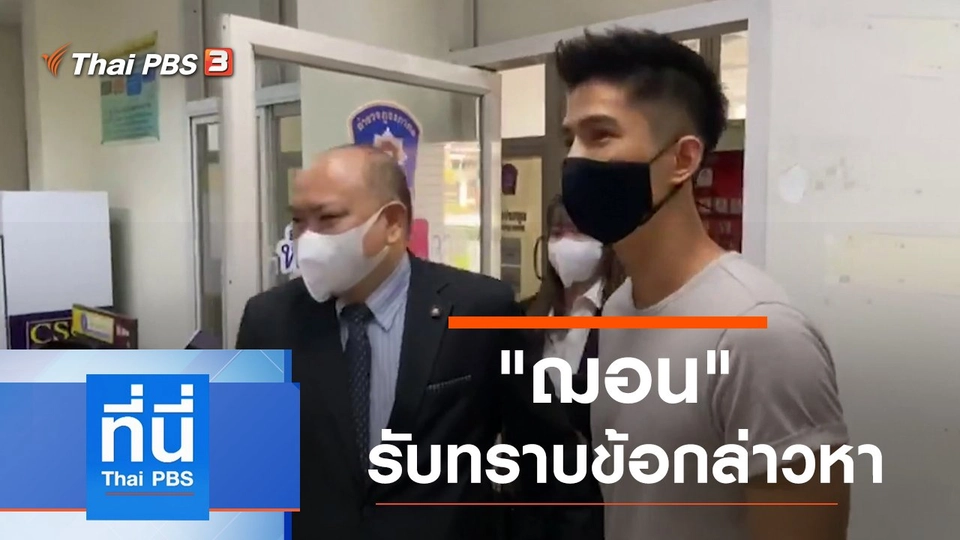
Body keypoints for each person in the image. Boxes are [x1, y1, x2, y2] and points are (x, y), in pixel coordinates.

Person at [554, 28, 850, 540]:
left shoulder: (759, 334)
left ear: (683, 160)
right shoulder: (618, 311)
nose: (575, 160)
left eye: (600, 135)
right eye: (570, 140)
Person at [236, 144, 579, 540]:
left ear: (393, 223)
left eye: (328, 219)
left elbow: (550, 460)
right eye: (298, 221)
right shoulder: (269, 320)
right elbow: (244, 478)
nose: (308, 238)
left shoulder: (480, 308)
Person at [513, 195, 625, 540]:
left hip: (597, 509)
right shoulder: (523, 317)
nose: (565, 243)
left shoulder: (624, 319)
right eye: (557, 232)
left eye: (578, 232)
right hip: (529, 507)